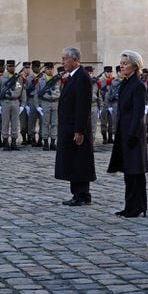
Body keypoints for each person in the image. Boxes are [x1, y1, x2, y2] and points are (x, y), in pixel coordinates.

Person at [108, 50, 148, 217]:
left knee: (135, 172)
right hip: (124, 131)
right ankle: (130, 205)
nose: (122, 66)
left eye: (125, 63)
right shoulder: (125, 83)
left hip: (133, 133)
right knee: (128, 171)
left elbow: (138, 112)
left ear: (135, 66)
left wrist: (132, 134)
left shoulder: (138, 85)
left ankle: (138, 206)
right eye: (121, 63)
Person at [56, 46, 96, 206]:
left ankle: (81, 194)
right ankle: (79, 193)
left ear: (75, 60)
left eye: (65, 58)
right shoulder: (74, 76)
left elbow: (82, 106)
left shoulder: (82, 77)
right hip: (70, 127)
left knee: (79, 161)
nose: (63, 62)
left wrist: (79, 130)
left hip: (76, 129)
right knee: (74, 161)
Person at [0, 60, 24, 151]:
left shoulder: (18, 78)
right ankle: (5, 143)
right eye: (10, 66)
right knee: (5, 123)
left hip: (15, 102)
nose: (12, 68)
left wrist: (22, 104)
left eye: (13, 66)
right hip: (5, 102)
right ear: (7, 67)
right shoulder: (2, 78)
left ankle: (13, 142)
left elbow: (20, 90)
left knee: (15, 123)